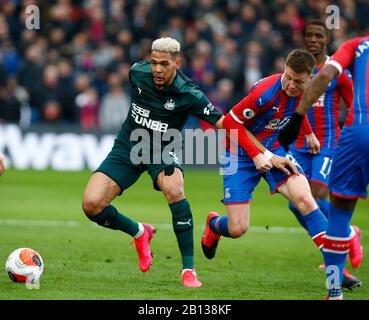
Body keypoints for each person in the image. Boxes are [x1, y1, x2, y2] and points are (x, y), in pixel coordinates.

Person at [201, 49, 360, 290]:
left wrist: (308, 134)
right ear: (284, 70)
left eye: (298, 81)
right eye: (288, 77)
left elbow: (296, 109)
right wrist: (259, 154)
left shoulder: (309, 89)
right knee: (238, 228)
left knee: (306, 199)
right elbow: (230, 123)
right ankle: (214, 225)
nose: (291, 85)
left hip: (274, 149)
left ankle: (335, 269)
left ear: (309, 78)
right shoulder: (265, 92)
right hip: (238, 153)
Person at [82, 37, 225, 288]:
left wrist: (260, 146)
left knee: (174, 188)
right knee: (91, 205)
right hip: (129, 145)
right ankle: (140, 231)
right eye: (154, 62)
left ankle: (188, 270)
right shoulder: (137, 73)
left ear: (177, 63)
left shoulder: (189, 94)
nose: (157, 69)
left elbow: (223, 123)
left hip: (163, 148)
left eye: (164, 64)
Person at [278, 36, 369, 300]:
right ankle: (348, 237)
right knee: (298, 202)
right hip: (301, 148)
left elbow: (326, 77)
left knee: (333, 208)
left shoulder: (357, 46)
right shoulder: (289, 78)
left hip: (345, 138)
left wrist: (296, 117)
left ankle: (334, 291)